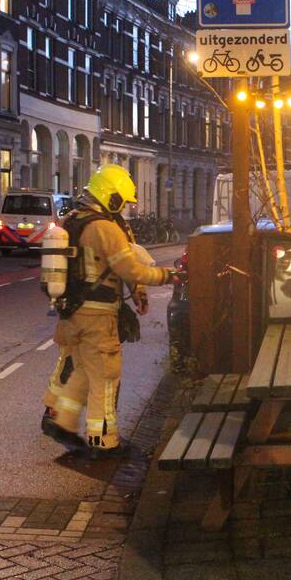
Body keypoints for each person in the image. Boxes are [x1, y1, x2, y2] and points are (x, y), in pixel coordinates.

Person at [42, 164, 179, 459]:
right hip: (98, 315)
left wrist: (138, 292)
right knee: (105, 376)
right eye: (124, 201)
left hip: (71, 312)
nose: (126, 208)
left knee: (81, 370)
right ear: (112, 196)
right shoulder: (105, 227)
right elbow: (128, 267)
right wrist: (167, 276)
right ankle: (103, 441)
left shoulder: (72, 220)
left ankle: (62, 422)